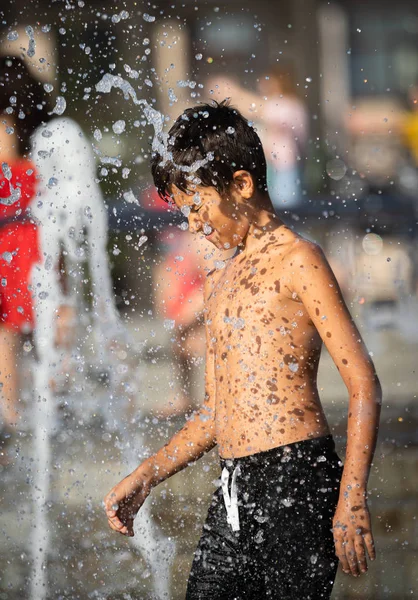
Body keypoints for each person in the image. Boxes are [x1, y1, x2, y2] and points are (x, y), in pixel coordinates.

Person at [104, 100, 381, 598]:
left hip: (297, 479)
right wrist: (148, 474)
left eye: (198, 206)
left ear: (241, 185)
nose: (193, 225)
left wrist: (352, 496)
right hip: (234, 486)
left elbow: (363, 384)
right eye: (184, 211)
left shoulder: (300, 261)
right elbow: (214, 414)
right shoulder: (219, 281)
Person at [0, 56, 50, 462]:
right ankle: (25, 415)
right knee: (26, 331)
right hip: (28, 236)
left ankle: (14, 418)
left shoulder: (6, 127)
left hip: (11, 238)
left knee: (9, 332)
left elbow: (9, 172)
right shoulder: (35, 129)